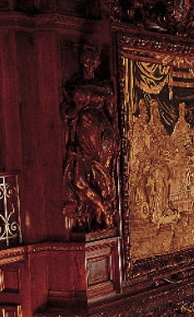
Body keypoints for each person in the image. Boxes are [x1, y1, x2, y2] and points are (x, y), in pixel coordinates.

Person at [62, 45, 119, 231]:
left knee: (104, 172)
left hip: (103, 132)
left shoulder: (104, 86)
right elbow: (68, 115)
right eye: (86, 61)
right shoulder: (75, 85)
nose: (89, 64)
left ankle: (104, 212)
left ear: (98, 63)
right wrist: (79, 106)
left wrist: (114, 135)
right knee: (83, 175)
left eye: (92, 61)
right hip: (84, 133)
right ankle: (100, 210)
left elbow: (111, 113)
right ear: (82, 62)